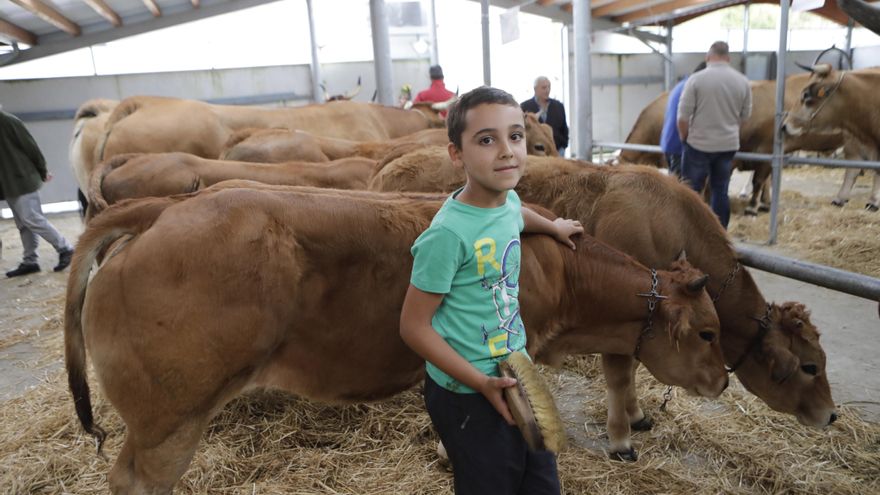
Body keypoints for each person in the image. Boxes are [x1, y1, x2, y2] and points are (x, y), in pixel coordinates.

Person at [399, 86, 583, 495]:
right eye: (487, 140)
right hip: (466, 392)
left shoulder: (506, 202)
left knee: (541, 481)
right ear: (456, 154)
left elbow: (518, 214)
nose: (506, 151)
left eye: (515, 136)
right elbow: (413, 327)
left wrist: (553, 227)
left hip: (515, 370)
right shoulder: (447, 234)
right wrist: (480, 384)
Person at [677, 41, 752, 229]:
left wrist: (684, 138)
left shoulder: (696, 80)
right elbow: (746, 116)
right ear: (728, 58)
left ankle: (690, 232)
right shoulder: (743, 81)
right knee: (720, 190)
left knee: (691, 192)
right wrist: (731, 131)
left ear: (708, 57)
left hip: (698, 145)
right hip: (727, 146)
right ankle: (719, 234)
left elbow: (682, 117)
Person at [0, 106, 74, 278]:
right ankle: (30, 261)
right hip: (9, 183)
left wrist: (42, 170)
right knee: (23, 223)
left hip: (22, 179)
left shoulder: (9, 121)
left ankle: (65, 248)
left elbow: (30, 146)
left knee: (30, 218)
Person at [660, 62, 706, 177]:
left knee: (675, 182)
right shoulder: (692, 89)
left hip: (669, 143)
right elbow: (685, 118)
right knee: (681, 187)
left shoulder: (681, 85)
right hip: (680, 146)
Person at [520, 76, 569, 156]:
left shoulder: (559, 106)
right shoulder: (524, 107)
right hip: (535, 156)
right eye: (544, 87)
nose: (547, 90)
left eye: (549, 87)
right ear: (535, 89)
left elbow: (564, 129)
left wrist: (563, 147)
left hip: (557, 152)